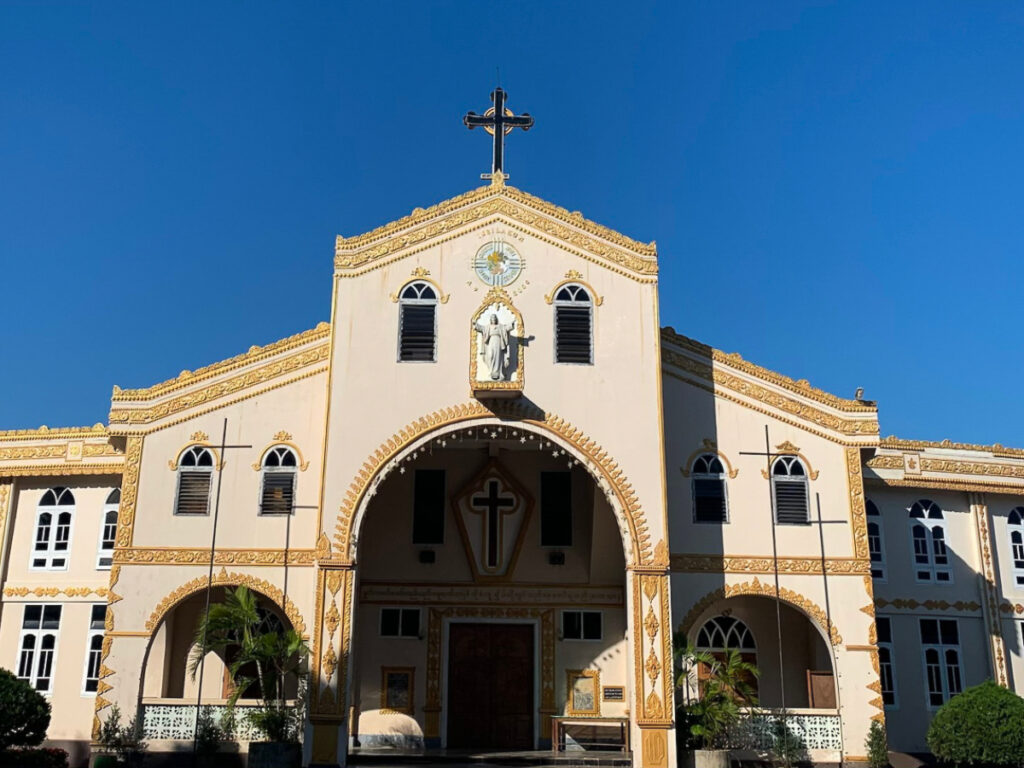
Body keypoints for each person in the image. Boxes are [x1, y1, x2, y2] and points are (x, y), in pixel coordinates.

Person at [475, 313, 515, 380]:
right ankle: (491, 372)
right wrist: (475, 324)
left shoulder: (500, 326)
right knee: (490, 356)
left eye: (494, 318)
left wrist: (511, 324)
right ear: (490, 320)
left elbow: (506, 328)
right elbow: (481, 328)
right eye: (492, 318)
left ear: (496, 319)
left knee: (498, 357)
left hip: (498, 342)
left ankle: (498, 373)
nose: (493, 319)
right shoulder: (488, 327)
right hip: (491, 342)